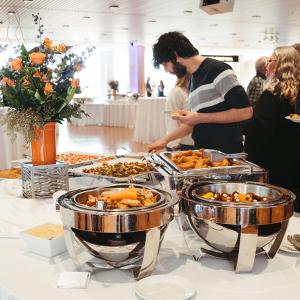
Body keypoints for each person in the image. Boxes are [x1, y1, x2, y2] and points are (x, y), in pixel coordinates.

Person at [148, 31, 252, 154]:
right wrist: (165, 140)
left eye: (165, 64)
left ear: (175, 56)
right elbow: (193, 123)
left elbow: (246, 112)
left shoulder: (218, 70)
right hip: (204, 151)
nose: (166, 70)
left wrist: (199, 117)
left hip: (226, 154)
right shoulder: (193, 79)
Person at [244, 46, 300, 211]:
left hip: (269, 162)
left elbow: (259, 127)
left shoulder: (272, 93)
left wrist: (239, 124)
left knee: (269, 207)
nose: (267, 65)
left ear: (281, 65)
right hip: (291, 160)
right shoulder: (294, 93)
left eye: (270, 61)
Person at [165, 73, 194, 151]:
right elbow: (172, 120)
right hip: (183, 145)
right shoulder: (177, 92)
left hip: (200, 143)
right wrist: (174, 145)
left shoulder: (197, 92)